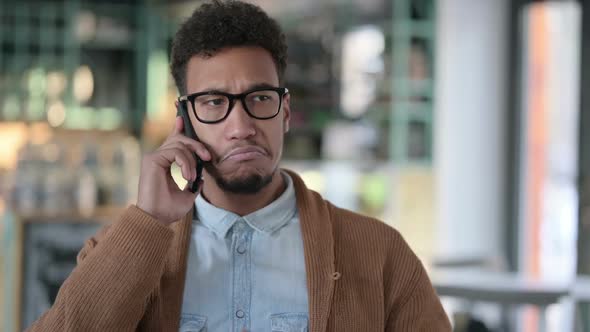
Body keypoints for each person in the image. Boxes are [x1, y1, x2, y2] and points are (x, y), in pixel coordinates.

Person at [27, 1, 451, 331]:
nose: (241, 126)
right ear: (185, 119)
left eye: (260, 98)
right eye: (214, 103)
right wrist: (150, 221)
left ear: (285, 112)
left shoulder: (380, 254)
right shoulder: (122, 250)